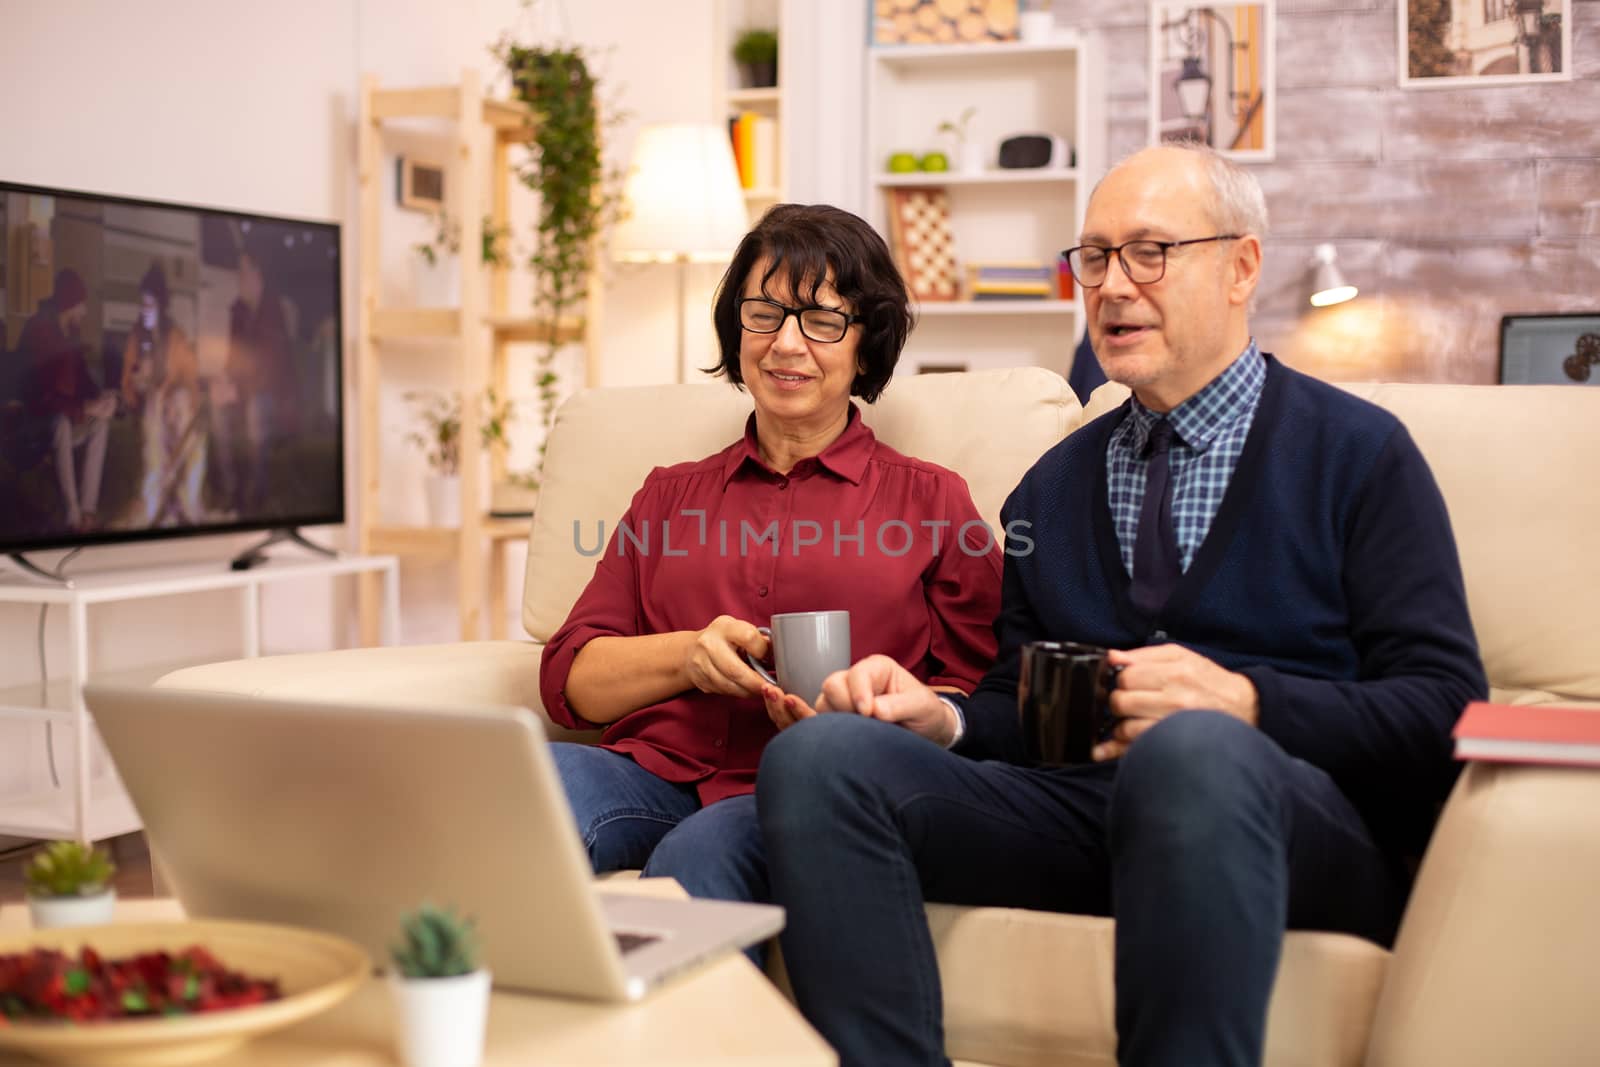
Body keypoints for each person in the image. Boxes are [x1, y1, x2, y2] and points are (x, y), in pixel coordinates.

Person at [755, 145, 1487, 1067]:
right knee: (819, 756)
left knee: (1191, 751)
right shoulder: (1050, 488)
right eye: (1093, 258)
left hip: (1285, 822)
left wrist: (1249, 703)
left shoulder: (1359, 455)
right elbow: (1019, 704)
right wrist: (939, 716)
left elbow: (1448, 708)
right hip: (1078, 814)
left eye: (1149, 252)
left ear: (1241, 267)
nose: (1110, 285)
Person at [538, 203, 1003, 914]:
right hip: (649, 772)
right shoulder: (669, 495)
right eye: (765, 313)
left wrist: (870, 723)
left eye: (821, 320)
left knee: (696, 856)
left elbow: (986, 696)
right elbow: (569, 681)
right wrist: (688, 654)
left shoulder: (931, 501)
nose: (786, 344)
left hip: (806, 790)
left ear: (864, 344)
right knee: (523, 791)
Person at [18, 268, 115, 531]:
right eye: (81, 305)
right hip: (38, 427)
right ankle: (72, 516)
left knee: (100, 424)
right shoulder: (39, 332)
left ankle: (87, 511)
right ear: (69, 303)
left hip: (71, 418)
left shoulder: (71, 333)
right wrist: (84, 407)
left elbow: (83, 377)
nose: (84, 312)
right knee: (60, 422)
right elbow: (43, 398)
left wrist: (101, 399)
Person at [214, 237, 295, 516]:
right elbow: (232, 357)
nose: (239, 277)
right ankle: (232, 491)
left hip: (270, 394)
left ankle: (256, 494)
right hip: (244, 390)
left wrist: (241, 390)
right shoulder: (237, 311)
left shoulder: (272, 311)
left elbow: (272, 368)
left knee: (255, 411)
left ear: (257, 275)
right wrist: (224, 382)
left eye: (243, 271)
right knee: (219, 413)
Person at [121, 262, 206, 525]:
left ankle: (187, 501)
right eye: (142, 304)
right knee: (155, 418)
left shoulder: (174, 335)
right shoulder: (137, 336)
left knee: (187, 427)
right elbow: (128, 377)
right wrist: (138, 383)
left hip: (176, 401)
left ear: (160, 304)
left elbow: (188, 373)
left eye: (150, 305)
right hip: (151, 403)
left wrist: (180, 396)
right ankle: (155, 502)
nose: (145, 311)